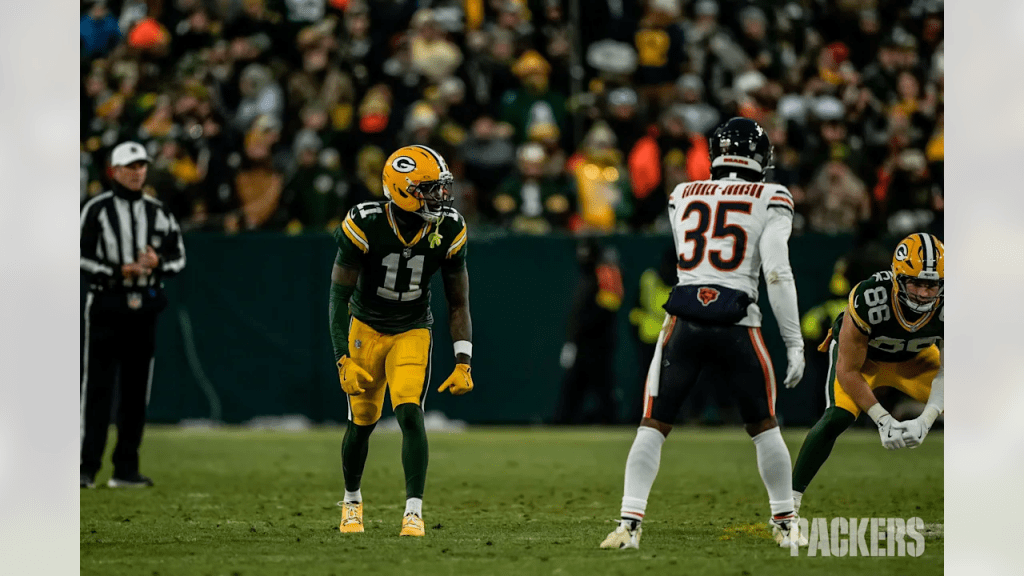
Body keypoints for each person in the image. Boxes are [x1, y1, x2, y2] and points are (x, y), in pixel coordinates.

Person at [600, 118, 806, 550]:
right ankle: (786, 523)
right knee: (765, 428)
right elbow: (777, 273)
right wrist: (793, 343)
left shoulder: (681, 194)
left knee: (652, 425)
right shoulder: (772, 196)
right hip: (738, 322)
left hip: (685, 320)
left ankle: (629, 525)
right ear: (760, 158)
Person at [328, 144, 474, 537]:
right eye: (429, 188)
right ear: (402, 190)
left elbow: (458, 301)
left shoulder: (449, 227)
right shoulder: (366, 221)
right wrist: (342, 357)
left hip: (412, 327)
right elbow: (338, 296)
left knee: (410, 412)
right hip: (366, 328)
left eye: (441, 187)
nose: (440, 196)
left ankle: (413, 511)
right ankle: (352, 502)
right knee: (362, 421)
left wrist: (463, 360)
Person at [791, 234, 945, 521]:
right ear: (898, 278)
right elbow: (848, 370)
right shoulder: (870, 297)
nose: (924, 293)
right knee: (837, 417)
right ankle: (789, 504)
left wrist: (926, 420)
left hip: (915, 360)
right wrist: (883, 420)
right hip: (865, 362)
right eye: (916, 283)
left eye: (932, 285)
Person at [79, 141, 187, 489]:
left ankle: (125, 468)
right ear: (115, 171)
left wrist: (158, 263)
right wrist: (115, 271)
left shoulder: (158, 211)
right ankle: (85, 467)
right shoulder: (96, 209)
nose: (138, 172)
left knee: (136, 391)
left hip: (144, 307)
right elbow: (79, 257)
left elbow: (179, 258)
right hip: (107, 302)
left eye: (142, 165)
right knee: (97, 388)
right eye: (131, 166)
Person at [554, 238, 624, 425]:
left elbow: (608, 309)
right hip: (583, 343)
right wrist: (572, 341)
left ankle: (610, 421)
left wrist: (581, 332)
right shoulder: (585, 278)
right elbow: (578, 315)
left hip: (599, 343)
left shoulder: (605, 274)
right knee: (574, 386)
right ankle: (562, 422)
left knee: (603, 386)